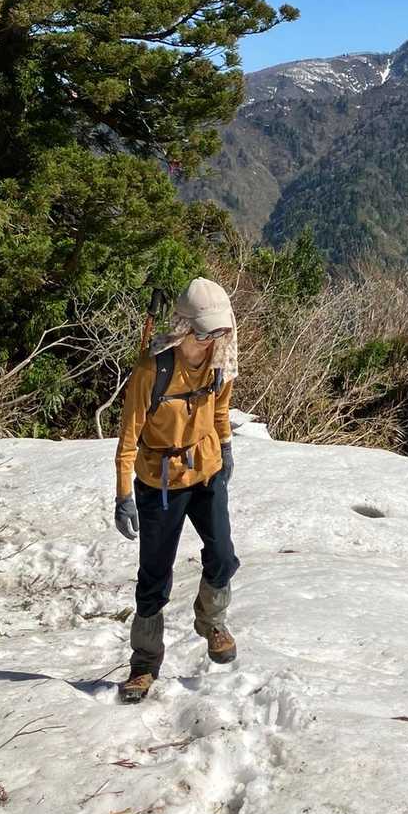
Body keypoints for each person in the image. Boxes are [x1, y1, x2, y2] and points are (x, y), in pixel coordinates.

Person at [113, 277, 240, 704]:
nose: (209, 341)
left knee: (223, 555)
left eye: (217, 332)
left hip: (206, 470)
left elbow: (220, 408)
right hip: (160, 481)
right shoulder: (153, 369)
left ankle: (211, 621)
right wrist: (123, 494)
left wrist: (226, 447)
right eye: (202, 333)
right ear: (184, 326)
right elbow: (128, 436)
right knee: (154, 575)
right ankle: (144, 663)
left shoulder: (220, 361)